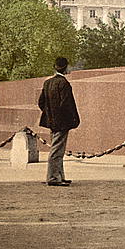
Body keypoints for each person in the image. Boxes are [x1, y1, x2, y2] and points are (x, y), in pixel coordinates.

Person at [38, 57, 80, 187]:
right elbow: (67, 104)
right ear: (66, 67)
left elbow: (41, 103)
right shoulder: (64, 83)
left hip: (52, 122)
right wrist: (73, 120)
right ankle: (53, 178)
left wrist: (50, 114)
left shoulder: (47, 83)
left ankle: (59, 175)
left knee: (58, 150)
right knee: (57, 151)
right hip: (62, 123)